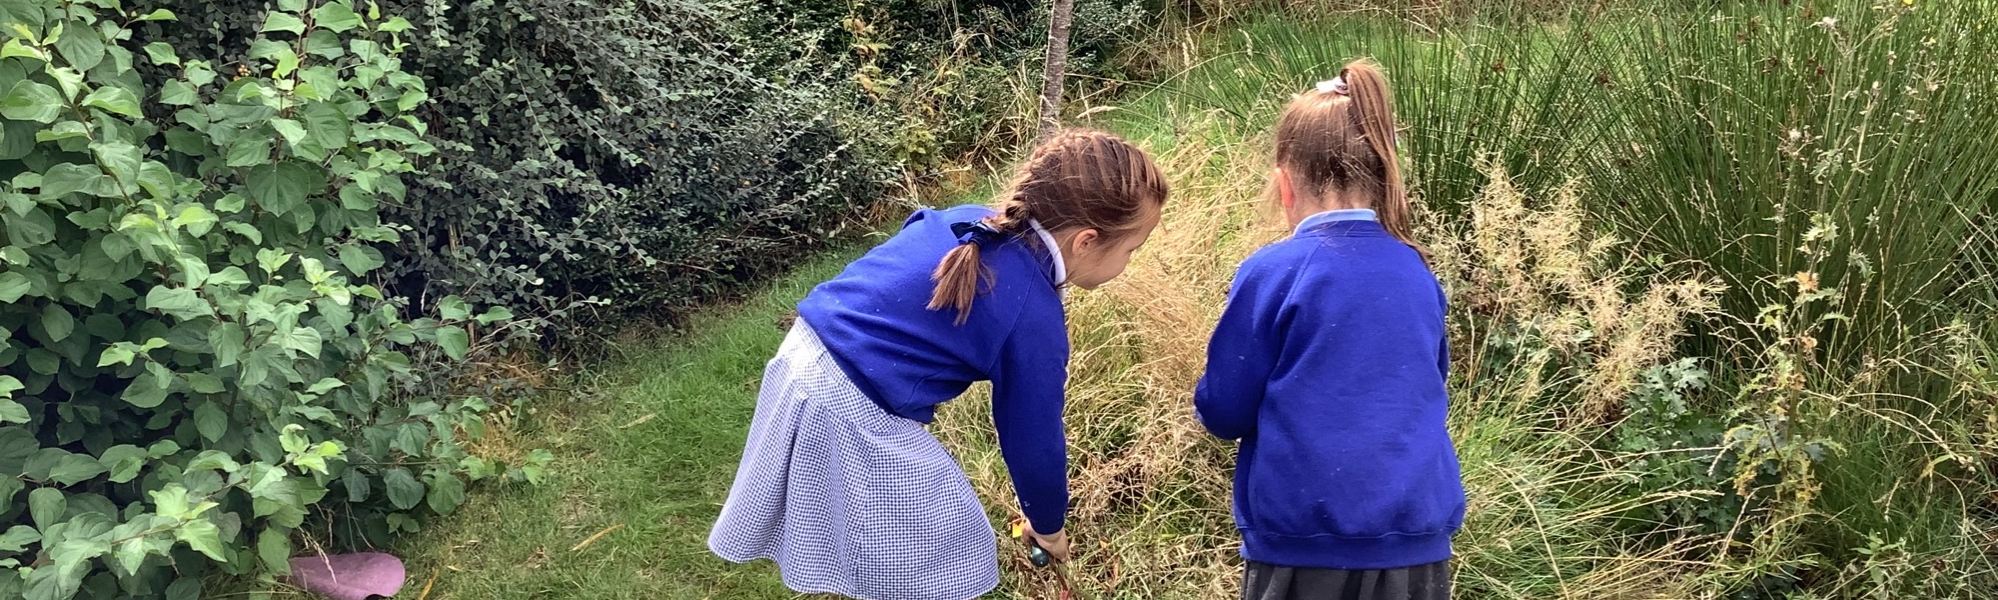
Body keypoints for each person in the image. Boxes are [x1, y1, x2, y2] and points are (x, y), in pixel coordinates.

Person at [710, 129, 1170, 600]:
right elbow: (1034, 436)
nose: (1129, 262)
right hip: (847, 401)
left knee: (880, 524)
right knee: (946, 541)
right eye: (1130, 250)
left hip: (803, 356)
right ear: (1086, 241)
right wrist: (1049, 526)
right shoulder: (1033, 316)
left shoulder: (970, 221)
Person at [1193, 59, 1463, 600]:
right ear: (1381, 175)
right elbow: (1430, 385)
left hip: (1302, 544)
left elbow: (1224, 411)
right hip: (1416, 544)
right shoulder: (1416, 271)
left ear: (1285, 184)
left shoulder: (1272, 272)